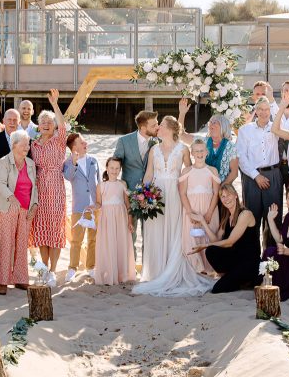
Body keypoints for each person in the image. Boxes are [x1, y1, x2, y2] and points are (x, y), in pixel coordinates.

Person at [134, 117, 217, 297]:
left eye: (161, 125)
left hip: (175, 193)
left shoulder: (183, 149)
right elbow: (149, 173)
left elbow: (189, 173)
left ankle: (173, 271)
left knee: (175, 231)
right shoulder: (153, 149)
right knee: (156, 230)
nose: (158, 128)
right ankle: (157, 272)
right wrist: (144, 194)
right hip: (156, 194)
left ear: (171, 129)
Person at [188, 185, 260, 293]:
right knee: (211, 251)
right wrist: (202, 221)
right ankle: (232, 277)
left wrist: (205, 245)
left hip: (248, 262)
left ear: (235, 195)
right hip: (235, 260)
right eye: (223, 196)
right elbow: (215, 241)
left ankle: (245, 280)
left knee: (218, 289)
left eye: (228, 195)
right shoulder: (226, 217)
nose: (226, 199)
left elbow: (229, 242)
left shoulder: (245, 214)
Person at [30, 90, 68, 283]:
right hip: (39, 189)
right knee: (41, 230)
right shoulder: (33, 145)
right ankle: (44, 268)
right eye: (42, 122)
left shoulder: (59, 141)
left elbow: (64, 126)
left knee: (55, 229)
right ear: (38, 125)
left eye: (49, 122)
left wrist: (55, 104)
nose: (46, 124)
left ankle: (53, 270)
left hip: (55, 188)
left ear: (54, 126)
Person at [0, 130, 37, 295]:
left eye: (28, 144)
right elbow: (1, 184)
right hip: (8, 206)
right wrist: (12, 199)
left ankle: (20, 279)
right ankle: (3, 281)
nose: (27, 147)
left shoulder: (31, 164)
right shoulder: (4, 161)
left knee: (22, 244)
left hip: (26, 209)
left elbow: (35, 187)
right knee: (7, 243)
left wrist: (35, 205)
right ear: (14, 144)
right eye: (24, 144)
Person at [236, 98, 283, 245]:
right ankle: (251, 257)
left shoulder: (277, 128)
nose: (263, 113)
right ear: (256, 111)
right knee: (251, 217)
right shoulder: (245, 130)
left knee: (273, 218)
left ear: (270, 111)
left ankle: (271, 259)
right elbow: (241, 156)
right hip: (251, 177)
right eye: (260, 109)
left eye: (266, 109)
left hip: (273, 175)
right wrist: (256, 176)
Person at [0, 108, 26, 285]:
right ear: (3, 120)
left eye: (15, 119)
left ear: (19, 122)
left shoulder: (25, 140)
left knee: (15, 234)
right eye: (9, 119)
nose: (12, 122)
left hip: (19, 196)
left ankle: (11, 270)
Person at [113, 109, 160, 254]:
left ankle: (148, 266)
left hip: (150, 194)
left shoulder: (157, 142)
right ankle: (130, 266)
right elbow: (116, 163)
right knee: (130, 231)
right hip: (130, 194)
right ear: (143, 127)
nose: (157, 127)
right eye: (154, 125)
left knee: (149, 233)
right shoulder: (124, 141)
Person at [179, 140, 221, 276]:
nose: (199, 153)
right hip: (191, 209)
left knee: (208, 236)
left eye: (202, 150)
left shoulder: (212, 170)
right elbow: (183, 193)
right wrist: (190, 213)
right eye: (196, 151)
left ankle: (209, 268)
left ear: (207, 152)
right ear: (191, 153)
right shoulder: (186, 171)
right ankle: (196, 268)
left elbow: (216, 193)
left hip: (209, 209)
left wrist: (209, 213)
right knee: (193, 237)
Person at [93, 157, 135, 286]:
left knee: (121, 242)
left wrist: (130, 221)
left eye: (117, 168)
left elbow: (128, 204)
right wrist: (94, 206)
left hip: (121, 217)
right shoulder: (101, 185)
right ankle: (109, 273)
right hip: (107, 218)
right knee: (108, 243)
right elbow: (99, 203)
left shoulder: (122, 184)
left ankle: (121, 273)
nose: (114, 171)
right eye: (112, 168)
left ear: (120, 169)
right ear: (107, 168)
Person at [64, 133, 100, 280]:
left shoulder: (94, 160)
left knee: (93, 239)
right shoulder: (68, 162)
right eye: (82, 141)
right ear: (74, 147)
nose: (86, 143)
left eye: (85, 141)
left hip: (94, 206)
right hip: (79, 207)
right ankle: (72, 268)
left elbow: (99, 182)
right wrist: (74, 162)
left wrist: (99, 203)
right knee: (76, 239)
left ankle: (91, 266)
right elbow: (68, 177)